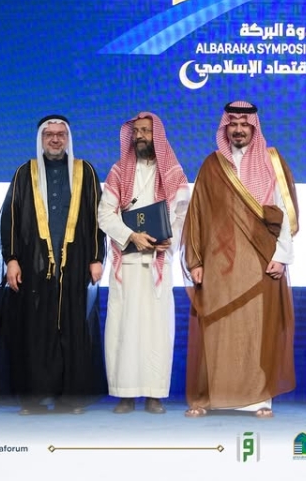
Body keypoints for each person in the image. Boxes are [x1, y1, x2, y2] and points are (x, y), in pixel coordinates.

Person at [180, 101, 299, 419]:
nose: (238, 129)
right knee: (218, 329)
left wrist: (282, 256)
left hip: (261, 261)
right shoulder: (212, 165)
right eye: (232, 124)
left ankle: (259, 400)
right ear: (225, 127)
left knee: (257, 330)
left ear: (254, 127)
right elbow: (197, 215)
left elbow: (285, 214)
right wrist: (195, 261)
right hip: (219, 264)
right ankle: (212, 398)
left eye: (244, 124)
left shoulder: (272, 161)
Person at [0, 114, 107, 415]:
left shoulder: (85, 171)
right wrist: (11, 259)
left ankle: (70, 400)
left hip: (75, 264)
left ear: (68, 138)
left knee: (72, 330)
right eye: (49, 135)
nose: (55, 140)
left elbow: (97, 218)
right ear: (41, 139)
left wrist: (96, 258)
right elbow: (11, 218)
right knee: (34, 331)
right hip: (33, 266)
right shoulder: (25, 172)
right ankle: (33, 400)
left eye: (61, 134)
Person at [98, 112, 189, 414]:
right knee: (123, 328)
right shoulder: (118, 172)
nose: (139, 136)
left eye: (146, 131)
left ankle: (154, 395)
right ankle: (125, 394)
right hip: (126, 264)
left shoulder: (173, 173)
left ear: (156, 135)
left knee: (156, 330)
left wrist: (169, 239)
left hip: (157, 264)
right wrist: (131, 236)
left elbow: (183, 216)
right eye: (136, 131)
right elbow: (104, 215)